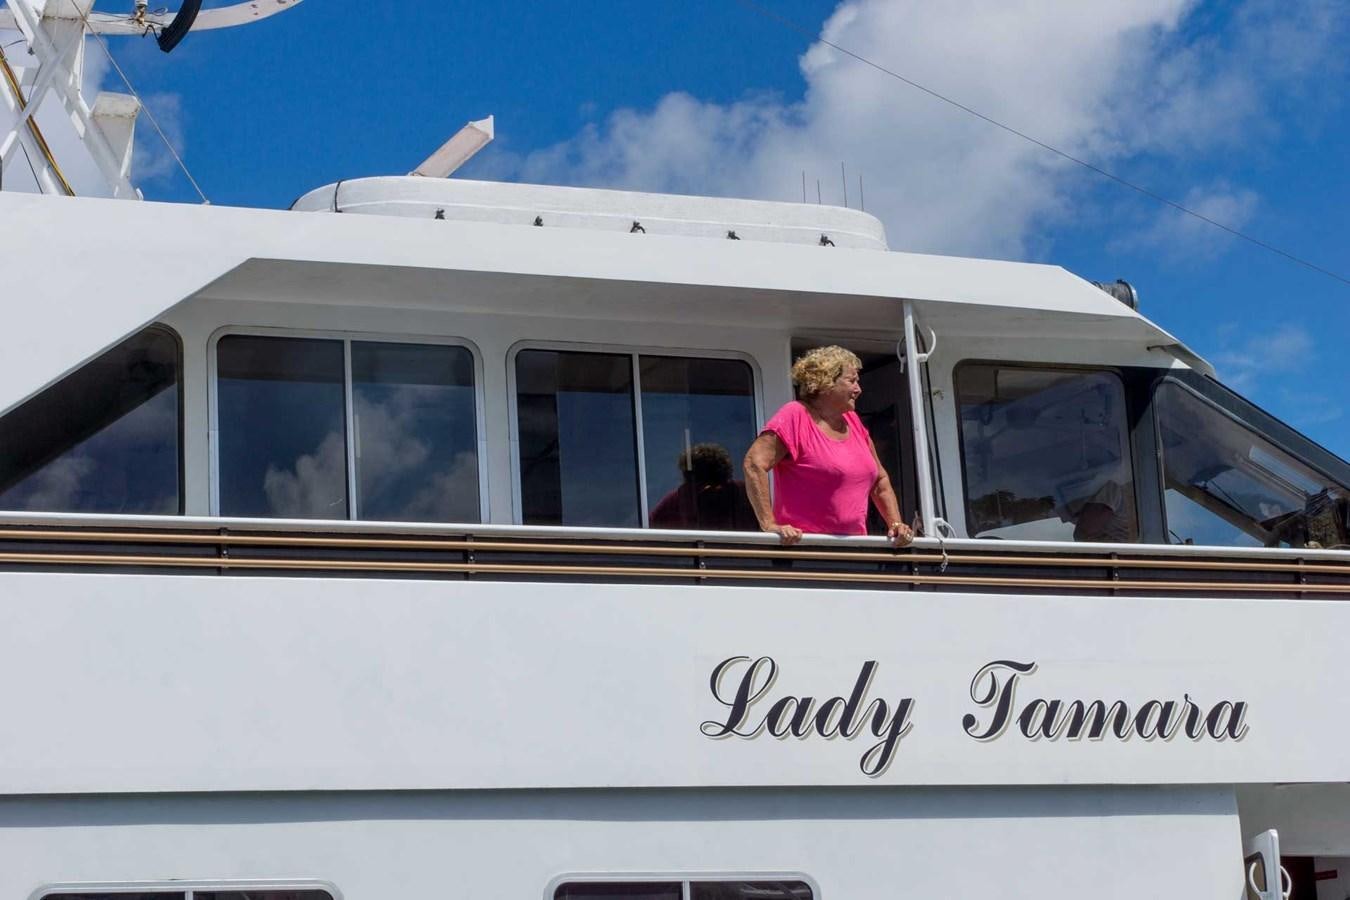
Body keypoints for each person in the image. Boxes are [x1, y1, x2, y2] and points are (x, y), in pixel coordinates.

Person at [742, 345, 913, 546]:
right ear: (826, 383)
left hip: (853, 549)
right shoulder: (795, 415)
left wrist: (895, 523)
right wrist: (769, 524)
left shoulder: (853, 421)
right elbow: (754, 463)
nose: (859, 389)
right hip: (804, 550)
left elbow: (879, 480)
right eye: (852, 381)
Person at [649, 442, 758, 531]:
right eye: (703, 490)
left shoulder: (743, 494)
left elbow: (766, 524)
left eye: (716, 489)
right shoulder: (677, 501)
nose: (711, 496)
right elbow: (652, 529)